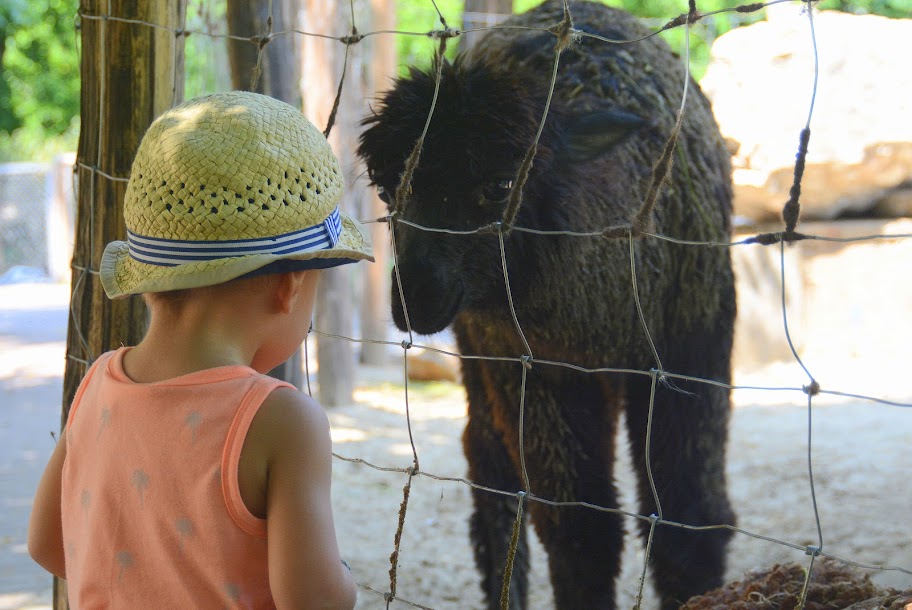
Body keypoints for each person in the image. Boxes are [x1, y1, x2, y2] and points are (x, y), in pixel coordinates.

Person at [27, 91, 372, 609]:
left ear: (150, 282)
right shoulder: (282, 420)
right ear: (291, 286)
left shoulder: (98, 384)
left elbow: (48, 545)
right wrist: (342, 576)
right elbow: (316, 601)